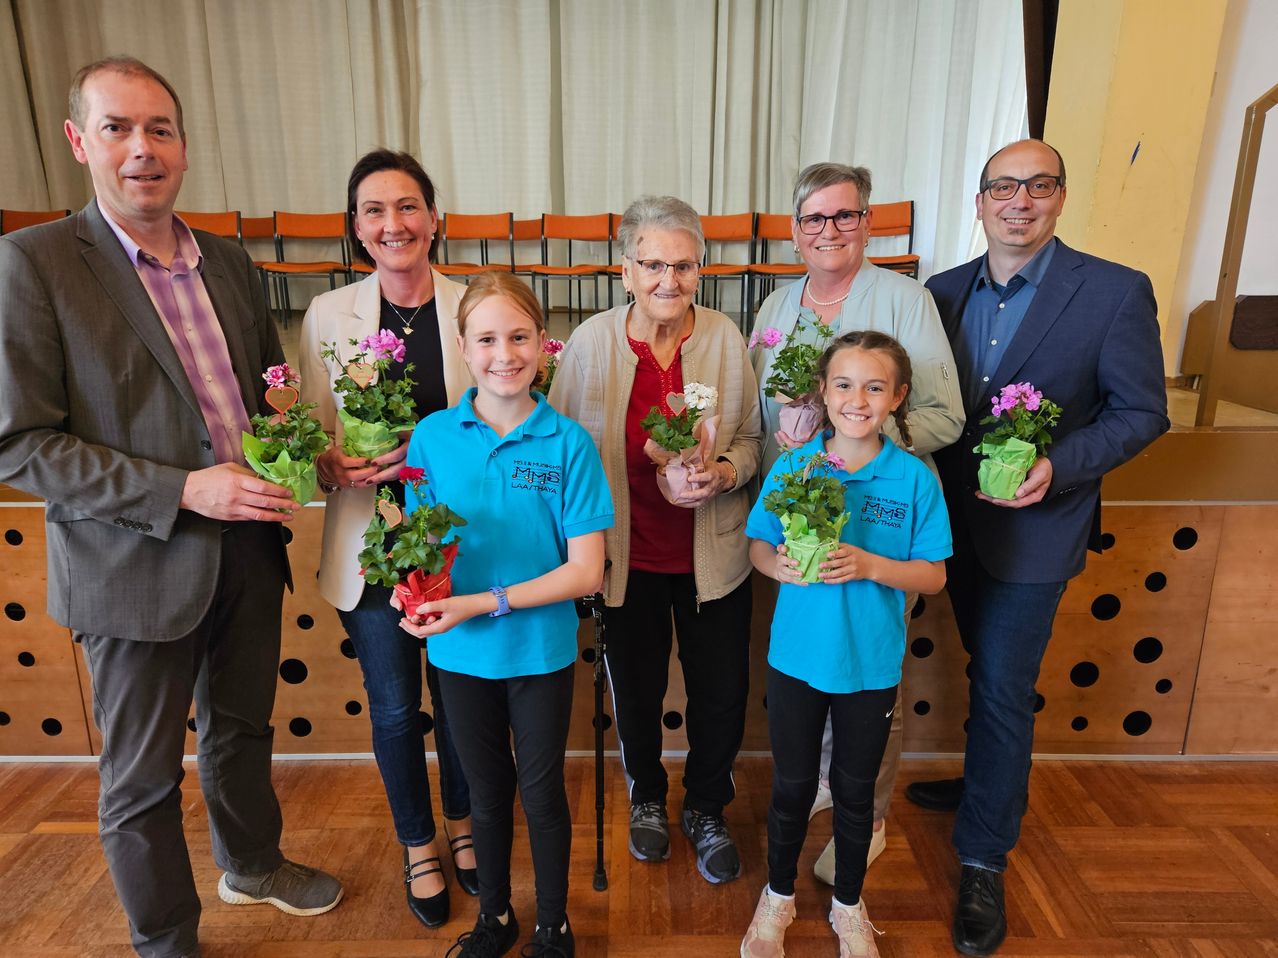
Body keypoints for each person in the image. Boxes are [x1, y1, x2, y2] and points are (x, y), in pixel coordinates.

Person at [0, 57, 341, 958]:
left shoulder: (227, 259)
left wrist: (312, 455)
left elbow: (265, 399)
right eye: (117, 128)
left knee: (241, 732)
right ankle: (166, 941)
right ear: (80, 141)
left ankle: (254, 866)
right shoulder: (34, 264)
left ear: (184, 145)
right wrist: (183, 490)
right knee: (141, 780)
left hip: (247, 551)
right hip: (132, 565)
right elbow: (19, 443)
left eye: (160, 129)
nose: (142, 149)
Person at [907, 139, 1169, 956]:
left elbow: (1140, 413)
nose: (1019, 200)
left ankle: (985, 857)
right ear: (979, 202)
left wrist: (1057, 468)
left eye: (1038, 185)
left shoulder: (1116, 293)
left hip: (1037, 529)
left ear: (1060, 197)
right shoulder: (940, 293)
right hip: (950, 525)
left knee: (1005, 687)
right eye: (1003, 187)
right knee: (983, 677)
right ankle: (988, 781)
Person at [752, 162, 964, 883]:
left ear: (867, 223)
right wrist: (796, 446)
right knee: (815, 664)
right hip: (803, 518)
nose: (829, 230)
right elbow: (763, 419)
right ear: (794, 229)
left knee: (874, 672)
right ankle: (822, 787)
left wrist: (853, 438)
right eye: (814, 218)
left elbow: (943, 415)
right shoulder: (776, 310)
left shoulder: (908, 300)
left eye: (845, 216)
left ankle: (865, 816)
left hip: (882, 521)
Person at [395, 270, 612, 958]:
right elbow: (417, 545)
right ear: (464, 347)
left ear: (542, 345)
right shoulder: (432, 437)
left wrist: (482, 602)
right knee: (486, 794)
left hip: (540, 651)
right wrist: (415, 597)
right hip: (459, 654)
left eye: (519, 336)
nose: (504, 353)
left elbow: (587, 569)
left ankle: (552, 922)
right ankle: (495, 917)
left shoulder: (568, 443)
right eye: (487, 338)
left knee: (543, 794)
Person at [549, 195, 762, 885]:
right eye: (653, 265)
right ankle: (646, 794)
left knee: (721, 692)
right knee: (635, 692)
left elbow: (754, 440)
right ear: (625, 270)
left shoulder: (727, 339)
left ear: (702, 270)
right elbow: (558, 447)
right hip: (626, 558)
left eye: (685, 265)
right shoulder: (590, 344)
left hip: (714, 555)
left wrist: (726, 470)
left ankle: (706, 806)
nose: (669, 280)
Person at [298, 149, 476, 928]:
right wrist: (331, 465)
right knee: (398, 708)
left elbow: (504, 426)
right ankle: (418, 844)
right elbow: (310, 431)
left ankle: (468, 828)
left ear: (434, 218)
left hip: (462, 544)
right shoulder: (327, 315)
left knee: (464, 700)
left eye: (407, 207)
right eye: (374, 210)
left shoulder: (476, 307)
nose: (392, 224)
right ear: (356, 228)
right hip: (369, 548)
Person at [741, 331, 950, 958]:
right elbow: (758, 545)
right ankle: (776, 899)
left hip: (871, 666)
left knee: (857, 793)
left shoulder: (913, 479)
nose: (857, 399)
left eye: (875, 386)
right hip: (797, 661)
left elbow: (934, 574)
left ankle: (848, 905)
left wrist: (869, 564)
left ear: (897, 398)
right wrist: (779, 566)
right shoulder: (795, 465)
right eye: (843, 384)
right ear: (823, 393)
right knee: (793, 787)